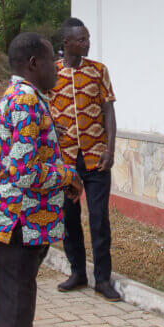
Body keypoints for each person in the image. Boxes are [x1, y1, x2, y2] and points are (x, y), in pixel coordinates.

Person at [0, 32, 82, 327]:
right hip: (16, 228)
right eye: (52, 61)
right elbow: (24, 173)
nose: (59, 68)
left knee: (16, 314)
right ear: (34, 64)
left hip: (22, 227)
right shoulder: (24, 101)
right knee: (14, 317)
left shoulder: (25, 96)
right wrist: (67, 175)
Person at [50, 18, 120, 300]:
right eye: (81, 39)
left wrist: (110, 150)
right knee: (69, 218)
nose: (87, 43)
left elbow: (109, 112)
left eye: (88, 38)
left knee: (99, 218)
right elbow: (42, 107)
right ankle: (77, 272)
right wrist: (52, 127)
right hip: (65, 160)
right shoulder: (51, 73)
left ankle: (103, 279)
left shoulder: (98, 71)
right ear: (66, 43)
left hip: (96, 157)